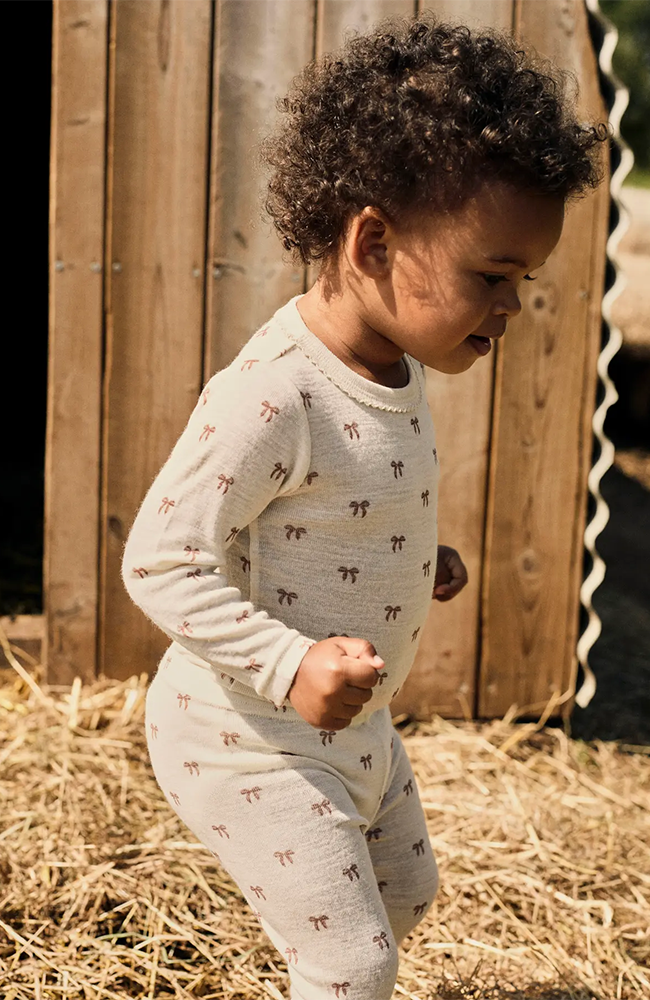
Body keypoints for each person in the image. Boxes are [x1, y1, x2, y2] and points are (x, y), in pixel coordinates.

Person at [122, 13, 606, 999]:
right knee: (351, 964)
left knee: (405, 899)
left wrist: (410, 553)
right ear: (374, 241)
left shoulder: (392, 364)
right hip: (245, 735)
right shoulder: (272, 394)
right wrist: (289, 663)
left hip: (355, 728)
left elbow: (332, 503)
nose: (511, 307)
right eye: (492, 276)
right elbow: (160, 559)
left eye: (521, 280)